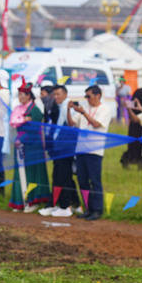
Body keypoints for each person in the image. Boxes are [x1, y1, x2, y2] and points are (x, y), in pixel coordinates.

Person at [8, 83, 51, 212]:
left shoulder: (35, 110)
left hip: (32, 144)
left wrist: (23, 122)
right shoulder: (18, 108)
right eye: (19, 95)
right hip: (20, 143)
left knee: (32, 171)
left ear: (28, 95)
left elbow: (33, 128)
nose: (20, 97)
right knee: (20, 171)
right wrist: (23, 120)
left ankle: (33, 201)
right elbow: (14, 122)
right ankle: (20, 201)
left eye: (22, 95)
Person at [70, 85, 110, 220]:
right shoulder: (84, 108)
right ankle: (88, 208)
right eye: (85, 96)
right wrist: (68, 110)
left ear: (98, 96)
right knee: (82, 181)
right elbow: (71, 124)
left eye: (89, 96)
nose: (87, 99)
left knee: (95, 181)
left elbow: (96, 124)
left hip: (95, 150)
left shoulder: (105, 109)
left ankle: (98, 210)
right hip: (81, 149)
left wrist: (83, 113)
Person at [40, 84, 78, 217]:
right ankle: (74, 204)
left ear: (65, 94)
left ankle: (65, 206)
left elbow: (72, 125)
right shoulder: (59, 107)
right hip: (59, 146)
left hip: (66, 147)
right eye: (54, 95)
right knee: (61, 175)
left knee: (65, 177)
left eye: (58, 94)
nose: (56, 97)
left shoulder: (69, 106)